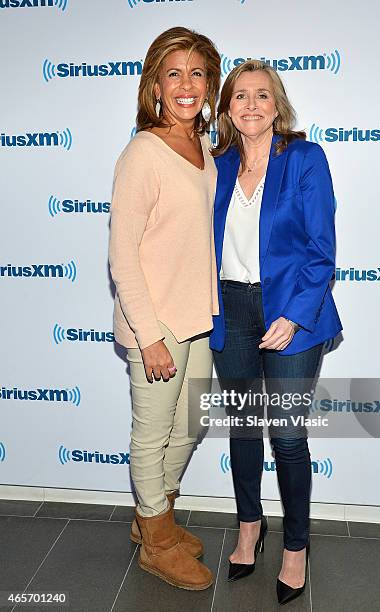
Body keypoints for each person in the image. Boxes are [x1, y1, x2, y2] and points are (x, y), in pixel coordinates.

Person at [210, 59, 342, 605]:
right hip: (231, 309)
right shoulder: (215, 165)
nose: (251, 105)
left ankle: (295, 547)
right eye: (240, 96)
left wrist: (292, 314)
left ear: (277, 103)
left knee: (286, 435)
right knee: (243, 427)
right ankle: (248, 527)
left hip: (292, 311)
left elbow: (321, 250)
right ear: (227, 108)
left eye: (262, 95)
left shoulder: (305, 159)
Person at [108, 27, 220, 591]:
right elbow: (122, 254)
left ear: (209, 85)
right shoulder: (142, 152)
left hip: (198, 320)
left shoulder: (203, 150)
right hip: (156, 323)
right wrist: (148, 335)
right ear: (155, 83)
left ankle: (157, 516)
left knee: (189, 426)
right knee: (152, 434)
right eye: (173, 73)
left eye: (197, 73)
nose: (186, 84)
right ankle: (155, 540)